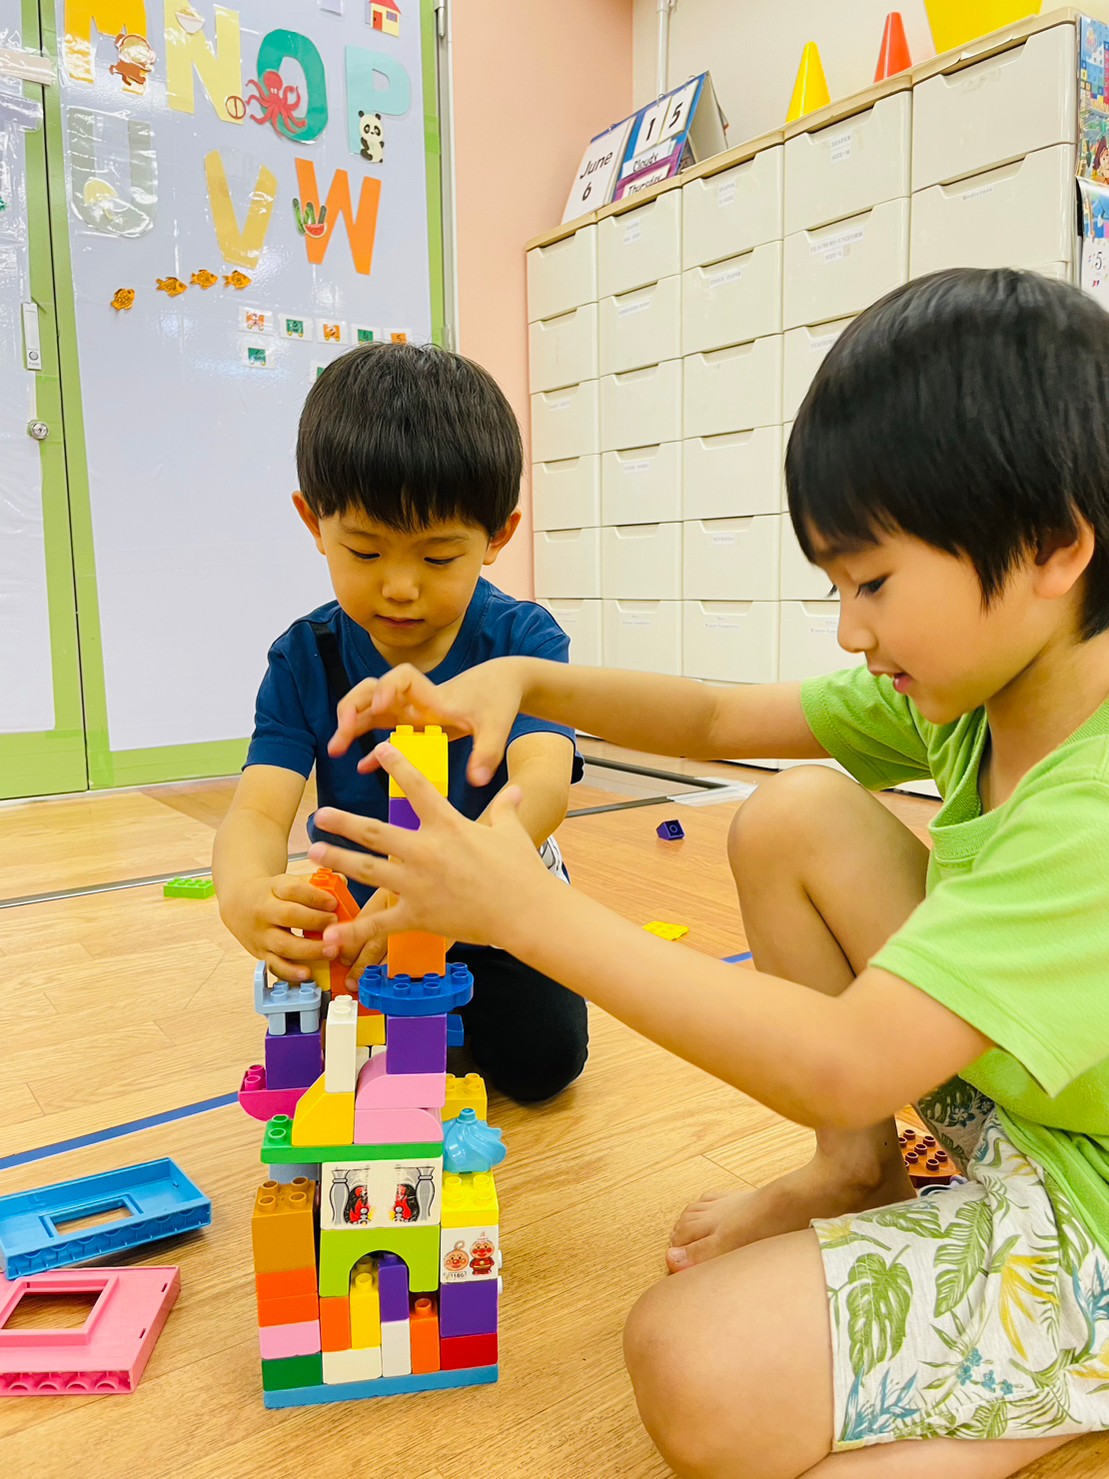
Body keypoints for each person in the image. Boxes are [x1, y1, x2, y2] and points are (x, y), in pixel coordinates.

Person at [306, 270, 1109, 1476]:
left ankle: (1059, 1374)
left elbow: (843, 1058)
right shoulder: (976, 693)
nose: (848, 628)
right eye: (835, 586)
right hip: (1030, 1120)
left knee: (692, 1364)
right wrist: (525, 680)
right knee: (793, 815)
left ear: (1050, 548)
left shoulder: (1089, 807)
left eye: (872, 583)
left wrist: (527, 911)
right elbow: (720, 716)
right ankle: (858, 1173)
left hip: (1089, 1215)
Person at [212, 341, 588, 1105]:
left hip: (499, 889)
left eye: (439, 557)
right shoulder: (304, 657)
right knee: (332, 1061)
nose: (400, 586)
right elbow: (257, 809)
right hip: (370, 914)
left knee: (542, 1062)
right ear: (314, 522)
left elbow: (542, 786)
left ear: (497, 535)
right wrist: (244, 892)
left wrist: (462, 891)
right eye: (364, 550)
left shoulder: (522, 641)